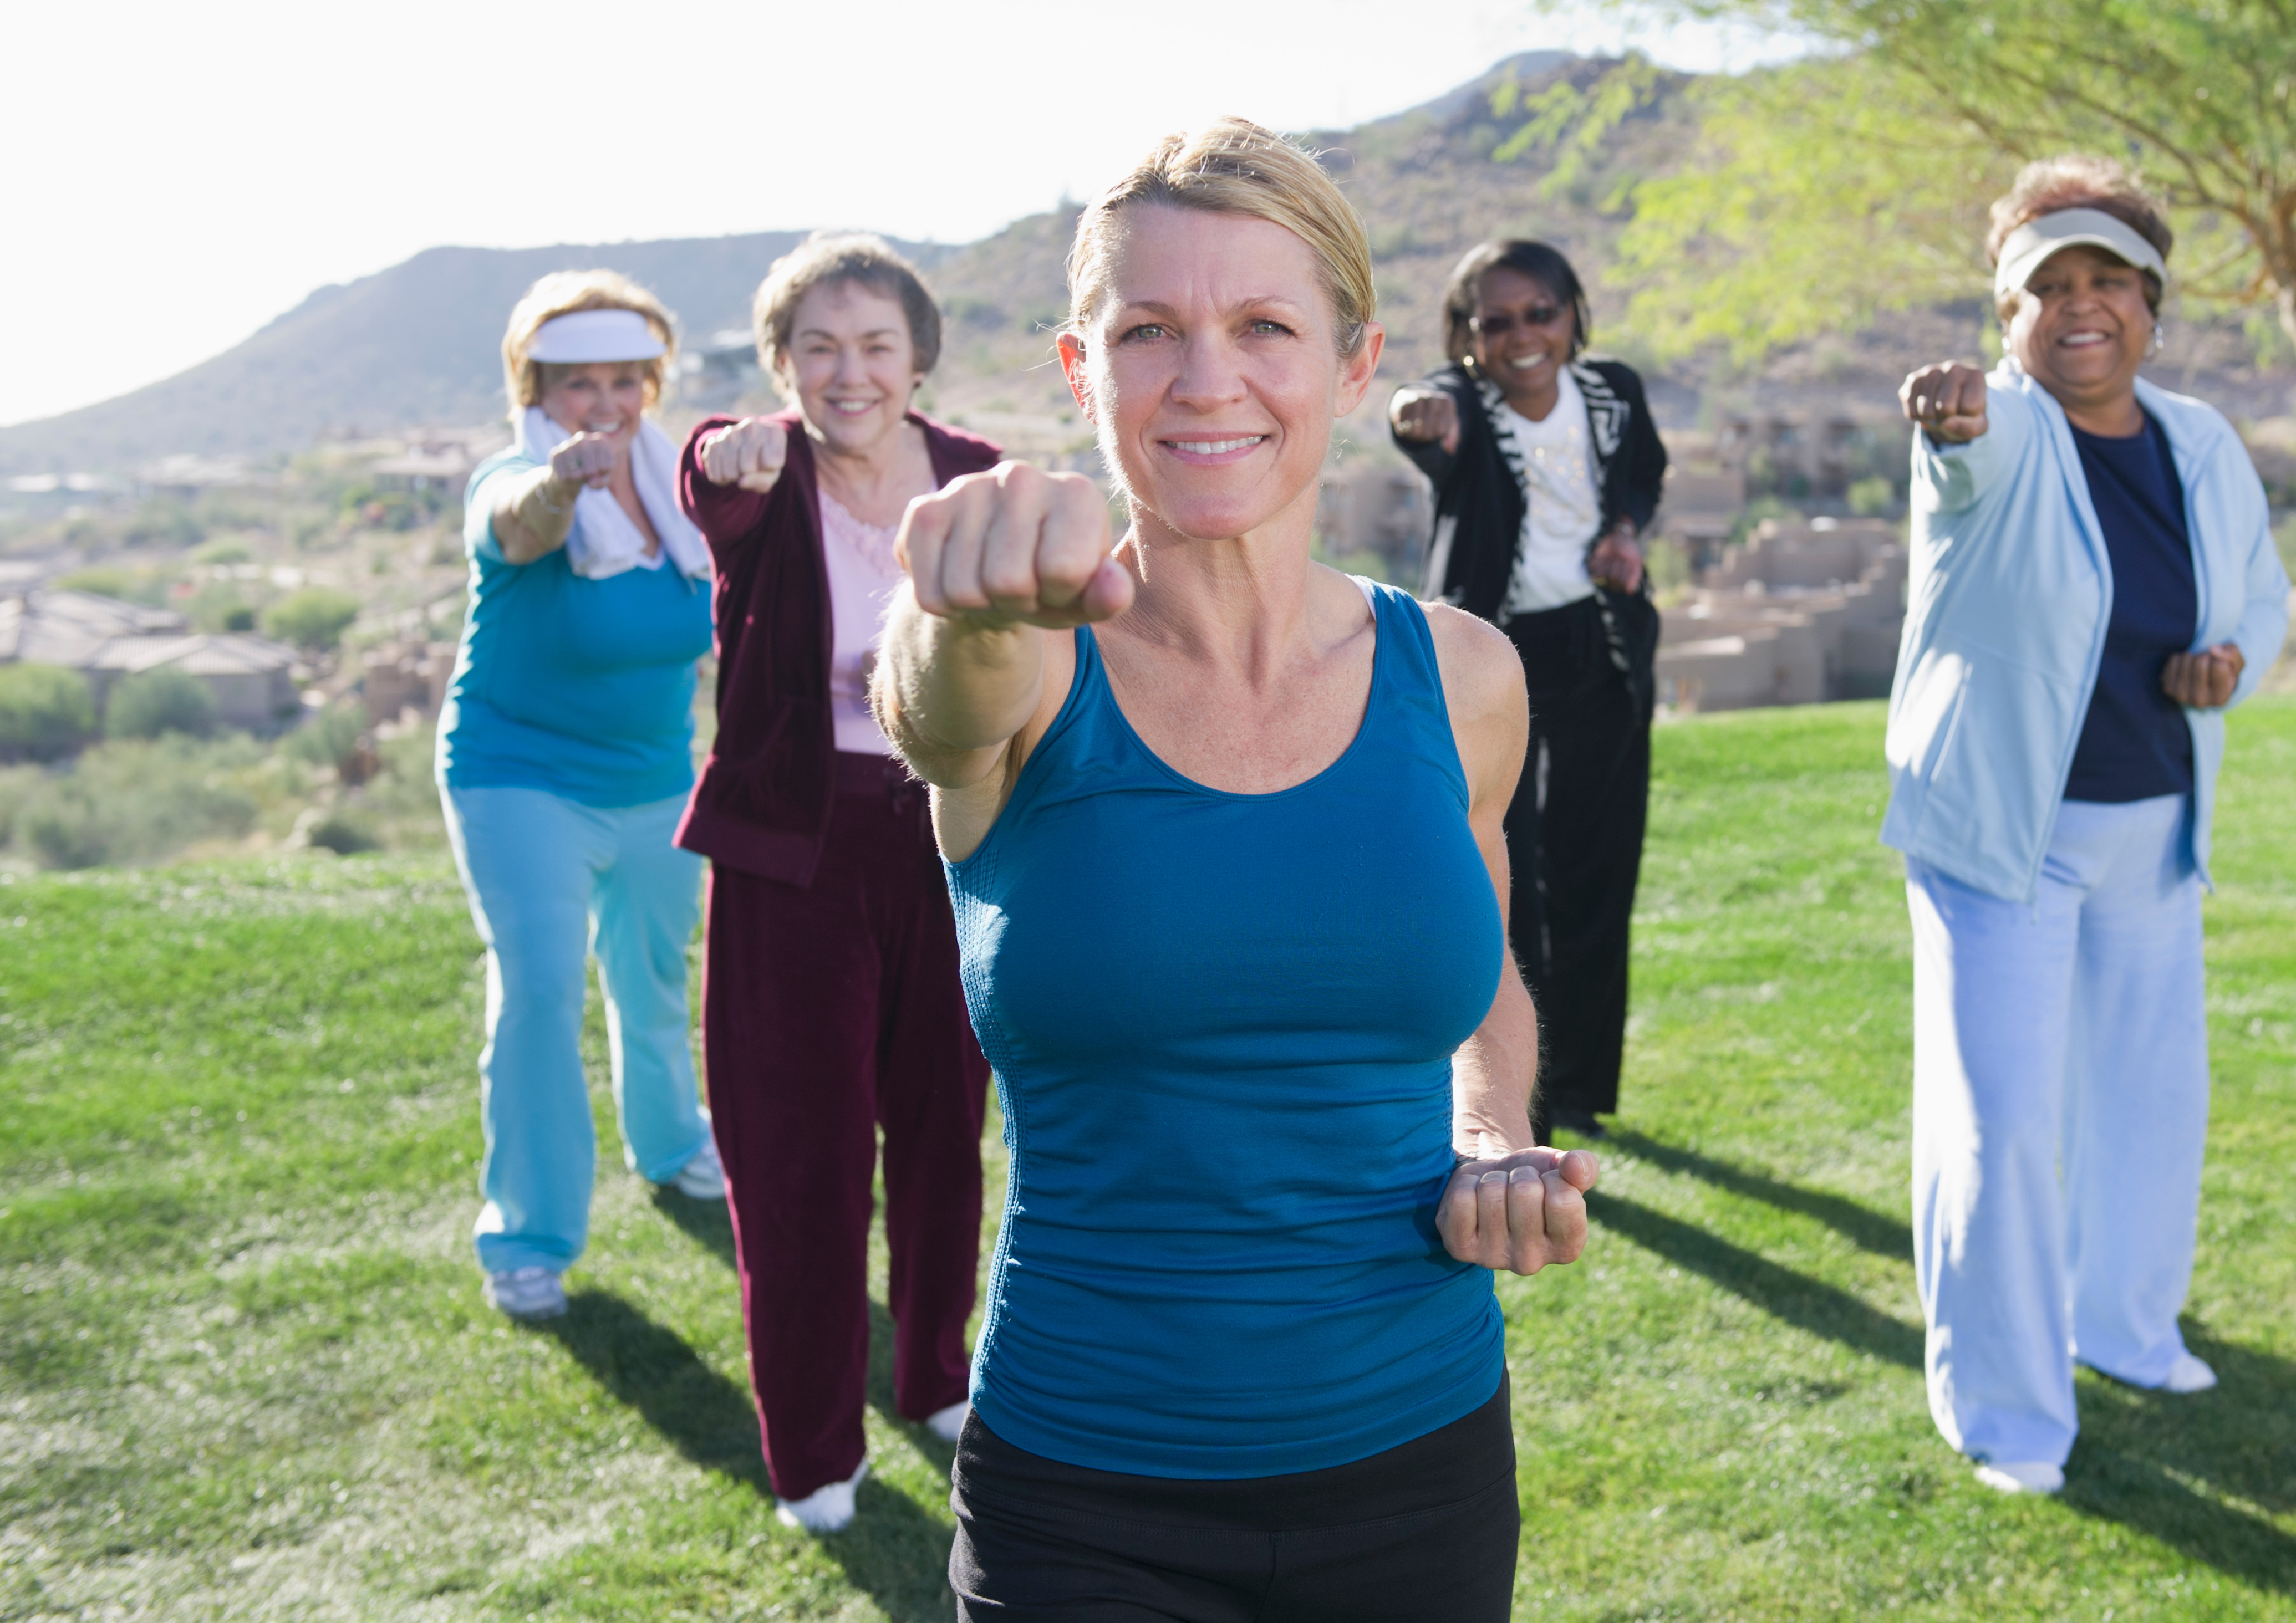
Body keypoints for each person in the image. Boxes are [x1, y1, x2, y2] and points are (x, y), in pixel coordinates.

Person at [873, 120, 1597, 1621]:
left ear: (1351, 363)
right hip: (1084, 1503)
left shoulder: (1464, 678)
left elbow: (1487, 980)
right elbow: (936, 706)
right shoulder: (1028, 662)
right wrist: (957, 600)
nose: (1208, 379)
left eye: (1264, 326)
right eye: (1150, 333)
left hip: (1426, 1471)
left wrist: (1490, 1125)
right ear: (1085, 375)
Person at [1884, 155, 2290, 1497]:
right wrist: (1950, 418)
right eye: (2044, 285)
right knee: (1999, 1126)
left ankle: (2123, 1328)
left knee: (2148, 1099)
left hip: (2151, 828)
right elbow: (1966, 456)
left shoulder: (2200, 442)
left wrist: (2226, 659)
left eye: (2104, 279)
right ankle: (2003, 1413)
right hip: (2005, 838)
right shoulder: (1988, 433)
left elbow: (2253, 598)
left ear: (2150, 299)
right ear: (2004, 315)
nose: (2077, 307)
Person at [676, 233, 1002, 1533]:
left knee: (943, 1136)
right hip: (790, 858)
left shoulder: (977, 478)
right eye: (818, 346)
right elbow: (714, 476)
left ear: (917, 357)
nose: (847, 371)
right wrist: (723, 448)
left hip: (952, 839)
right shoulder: (760, 472)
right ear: (779, 365)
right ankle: (813, 1451)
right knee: (798, 1158)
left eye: (874, 345)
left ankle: (934, 1375)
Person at [437, 270, 722, 1324]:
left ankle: (675, 1144)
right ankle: (527, 1236)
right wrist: (561, 485)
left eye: (623, 381)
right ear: (536, 387)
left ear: (652, 383)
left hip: (652, 777)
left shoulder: (683, 492)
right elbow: (517, 526)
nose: (603, 403)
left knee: (652, 977)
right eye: (575, 384)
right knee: (544, 986)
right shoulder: (512, 479)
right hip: (518, 774)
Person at [1387, 238, 1666, 1142]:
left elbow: (1645, 470)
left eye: (1540, 313)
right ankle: (1519, 1092)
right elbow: (1425, 420)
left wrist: (1624, 529)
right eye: (1494, 322)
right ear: (1467, 339)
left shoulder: (1612, 393)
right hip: (1491, 662)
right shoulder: (1462, 405)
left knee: (1598, 866)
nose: (1522, 336)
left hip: (1601, 647)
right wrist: (1416, 412)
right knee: (1504, 877)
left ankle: (1583, 1085)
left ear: (1573, 316)